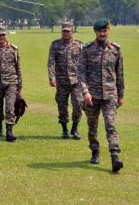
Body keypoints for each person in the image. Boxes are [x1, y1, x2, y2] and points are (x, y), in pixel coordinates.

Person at [77, 18, 124, 173]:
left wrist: (121, 94)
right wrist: (85, 92)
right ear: (96, 32)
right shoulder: (87, 50)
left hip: (110, 95)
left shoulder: (116, 50)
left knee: (110, 126)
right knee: (92, 127)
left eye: (105, 31)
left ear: (108, 31)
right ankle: (95, 150)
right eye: (100, 31)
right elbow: (81, 73)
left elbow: (120, 74)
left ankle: (115, 156)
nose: (102, 33)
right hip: (92, 96)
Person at [47, 22, 83, 139]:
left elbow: (84, 63)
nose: (66, 33)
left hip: (76, 81)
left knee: (78, 103)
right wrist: (51, 77)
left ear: (72, 31)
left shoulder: (79, 45)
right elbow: (50, 62)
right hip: (61, 81)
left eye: (68, 31)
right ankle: (64, 129)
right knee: (62, 106)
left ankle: (75, 127)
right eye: (64, 31)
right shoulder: (55, 45)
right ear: (61, 31)